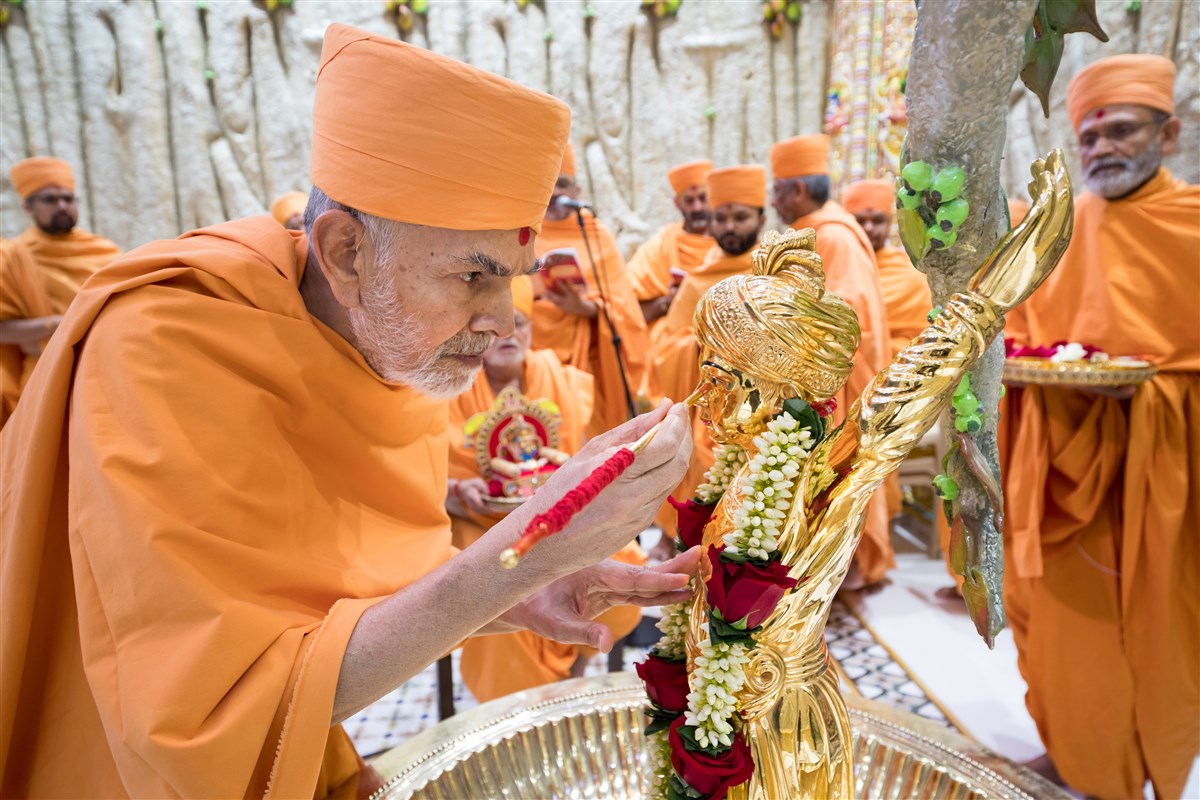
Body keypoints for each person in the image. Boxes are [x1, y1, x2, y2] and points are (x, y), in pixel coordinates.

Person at [0, 25, 698, 797]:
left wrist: (521, 591)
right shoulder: (161, 345)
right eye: (473, 274)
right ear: (345, 254)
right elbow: (210, 716)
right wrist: (511, 563)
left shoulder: (388, 343)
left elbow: (345, 605)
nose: (505, 318)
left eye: (514, 278)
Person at [1005, 54, 1198, 800]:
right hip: (1065, 464)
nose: (1102, 150)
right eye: (1089, 137)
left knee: (1166, 632)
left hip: (1171, 474)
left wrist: (1153, 397)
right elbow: (1023, 339)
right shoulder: (1060, 229)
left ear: (1170, 133)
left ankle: (1156, 762)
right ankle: (1077, 754)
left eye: (1120, 131)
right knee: (1064, 625)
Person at [446, 276, 646, 701]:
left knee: (619, 562)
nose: (509, 335)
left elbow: (585, 460)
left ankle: (575, 670)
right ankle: (518, 707)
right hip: (480, 523)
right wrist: (458, 488)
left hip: (560, 518)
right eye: (493, 329)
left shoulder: (564, 381)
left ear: (531, 330)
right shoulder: (451, 387)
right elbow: (427, 478)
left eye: (519, 323)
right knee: (494, 589)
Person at [770, 134, 893, 589]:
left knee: (834, 476)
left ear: (797, 191)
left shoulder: (832, 235)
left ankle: (845, 568)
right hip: (816, 376)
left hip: (832, 381)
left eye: (777, 190)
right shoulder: (823, 230)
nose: (773, 200)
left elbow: (845, 312)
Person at [647, 165, 767, 545]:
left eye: (740, 217)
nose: (730, 226)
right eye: (722, 218)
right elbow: (667, 347)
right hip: (709, 409)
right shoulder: (700, 278)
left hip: (767, 406)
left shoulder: (775, 275)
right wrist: (708, 344)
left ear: (762, 218)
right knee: (696, 453)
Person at [532, 142, 650, 438]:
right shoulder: (523, 231)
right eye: (549, 184)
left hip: (593, 364)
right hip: (535, 354)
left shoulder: (596, 233)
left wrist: (586, 308)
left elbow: (625, 308)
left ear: (577, 192)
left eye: (563, 185)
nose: (556, 192)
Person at [0, 157, 120, 426]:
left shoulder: (106, 252)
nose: (62, 206)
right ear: (28, 206)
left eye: (68, 198)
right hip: (43, 376)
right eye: (50, 199)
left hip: (106, 370)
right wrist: (55, 326)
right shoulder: (11, 258)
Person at [627, 159, 714, 332]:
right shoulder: (661, 245)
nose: (697, 207)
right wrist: (667, 302)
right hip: (673, 338)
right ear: (677, 204)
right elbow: (627, 311)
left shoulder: (729, 244)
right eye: (689, 201)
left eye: (703, 198)